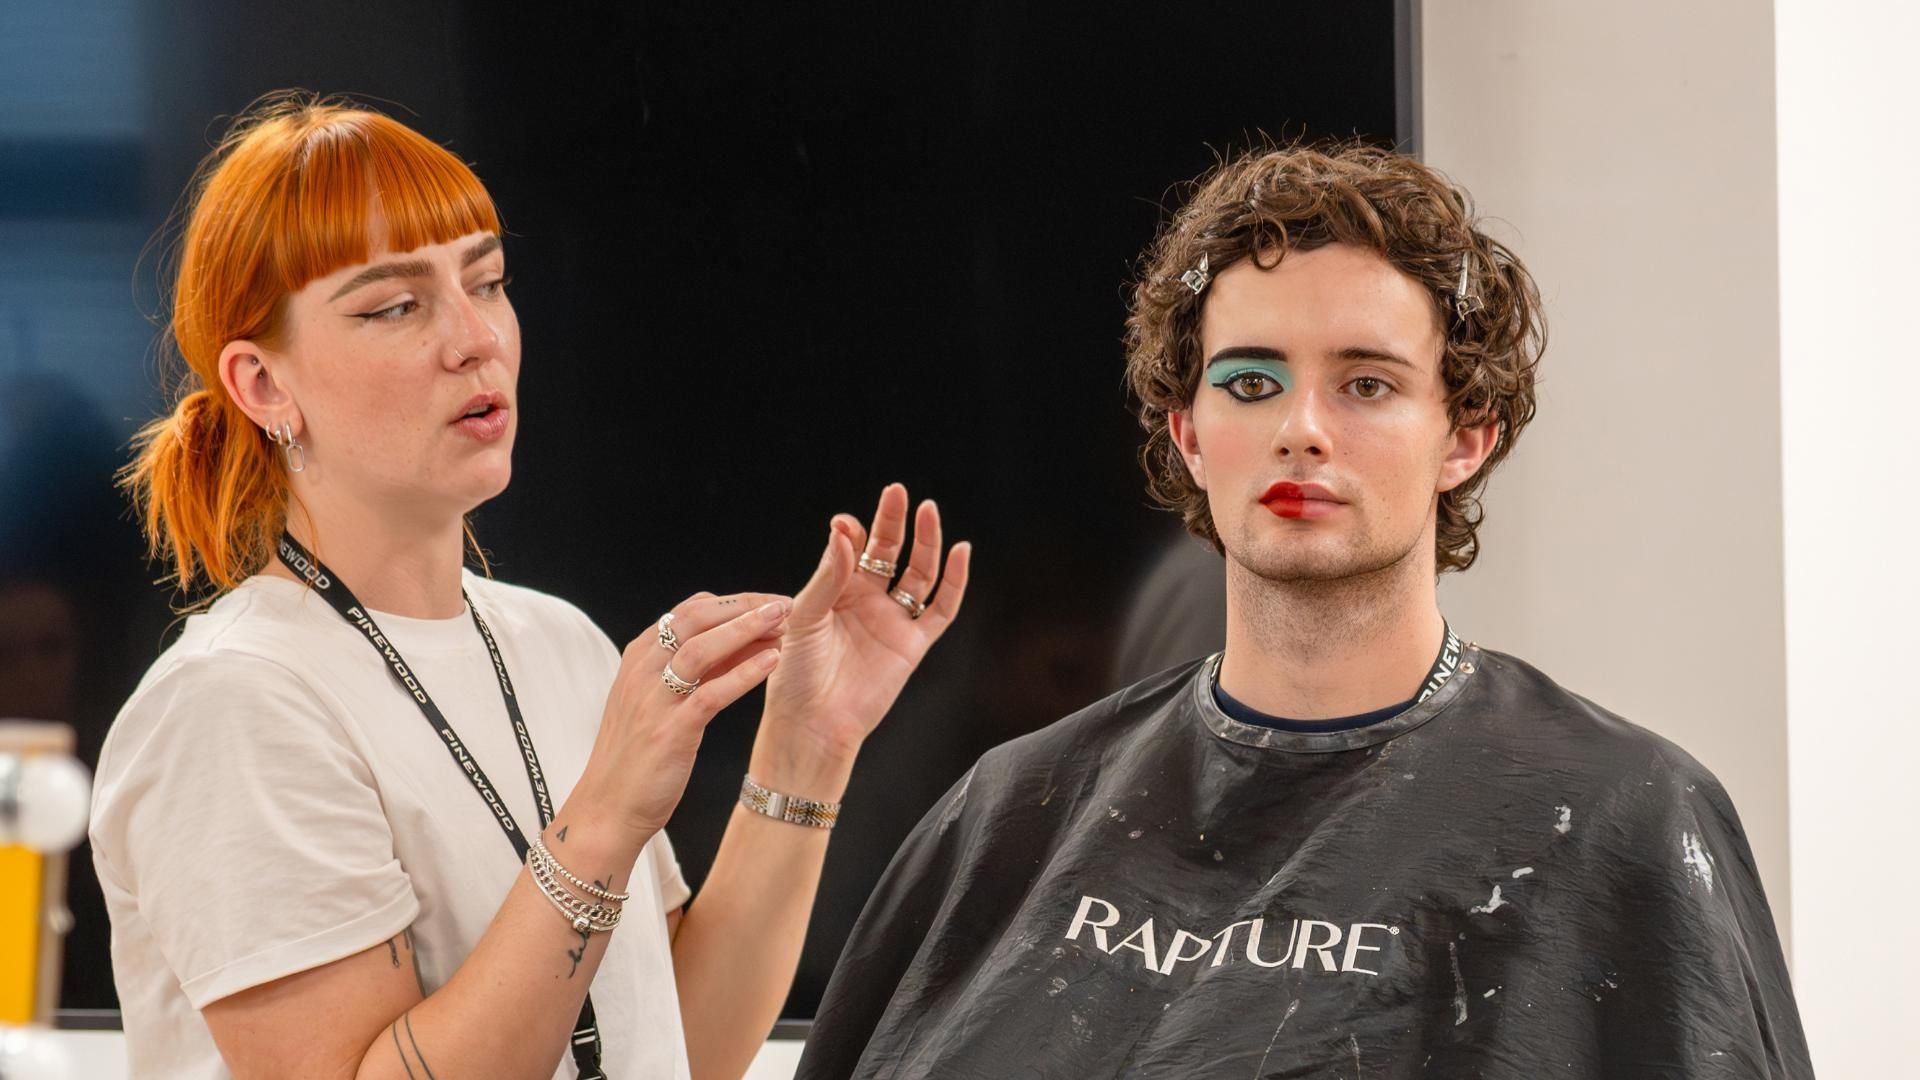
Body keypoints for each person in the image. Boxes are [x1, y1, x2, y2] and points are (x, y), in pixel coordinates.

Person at [796, 144, 1811, 1078]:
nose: (1301, 429)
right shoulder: (1015, 811)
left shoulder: (1623, 816)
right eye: (1250, 381)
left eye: (1366, 384)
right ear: (1189, 434)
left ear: (1467, 436)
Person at [91, 92, 971, 1080]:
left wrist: (808, 749)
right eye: (395, 305)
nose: (477, 339)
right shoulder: (234, 702)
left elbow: (683, 1045)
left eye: (489, 281)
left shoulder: (558, 642)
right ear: (262, 385)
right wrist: (598, 822)